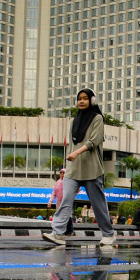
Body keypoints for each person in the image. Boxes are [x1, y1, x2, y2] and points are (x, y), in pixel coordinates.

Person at [43, 88, 115, 246]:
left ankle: (108, 234)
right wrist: (69, 161)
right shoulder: (74, 122)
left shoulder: (97, 119)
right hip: (73, 170)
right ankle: (58, 233)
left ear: (92, 101)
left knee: (98, 204)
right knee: (65, 201)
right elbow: (71, 144)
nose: (81, 101)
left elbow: (93, 142)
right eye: (79, 99)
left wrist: (76, 153)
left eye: (85, 98)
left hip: (92, 170)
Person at [47, 167, 75, 235]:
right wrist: (50, 202)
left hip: (66, 200)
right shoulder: (58, 182)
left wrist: (70, 196)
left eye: (63, 173)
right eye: (61, 173)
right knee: (59, 215)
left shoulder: (69, 181)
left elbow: (77, 189)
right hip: (59, 201)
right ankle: (60, 231)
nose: (62, 174)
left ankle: (70, 230)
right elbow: (54, 193)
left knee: (67, 215)